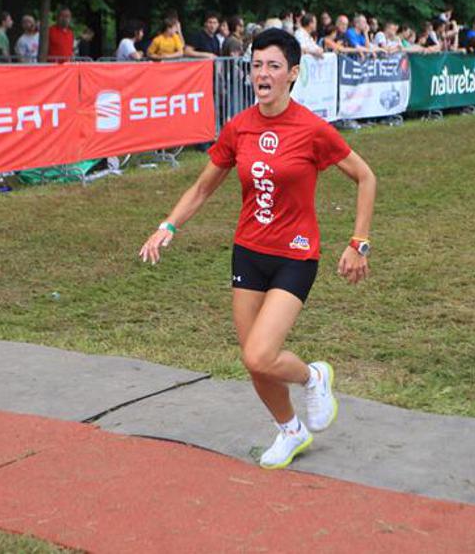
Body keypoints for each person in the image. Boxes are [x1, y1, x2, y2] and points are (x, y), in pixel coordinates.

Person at [138, 29, 376, 470]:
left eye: (273, 66)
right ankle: (291, 430)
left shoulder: (312, 129)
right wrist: (167, 226)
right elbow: (202, 187)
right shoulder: (240, 126)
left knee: (259, 354)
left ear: (293, 74)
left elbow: (366, 177)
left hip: (296, 255)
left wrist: (358, 243)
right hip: (248, 253)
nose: (262, 74)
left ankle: (313, 376)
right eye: (257, 65)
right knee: (255, 363)